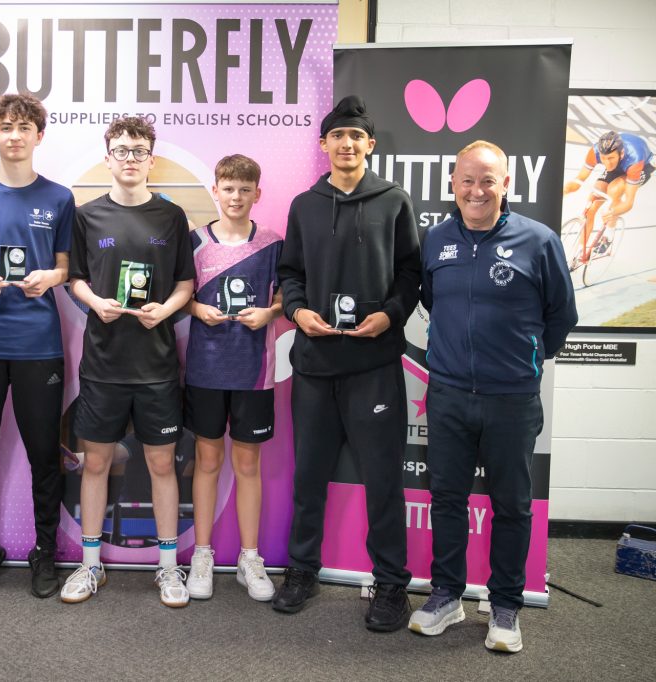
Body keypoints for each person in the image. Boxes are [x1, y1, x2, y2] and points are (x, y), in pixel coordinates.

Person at [411, 140, 577, 653]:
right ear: (453, 184)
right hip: (448, 393)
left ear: (506, 183)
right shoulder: (435, 239)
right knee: (447, 499)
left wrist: (525, 359)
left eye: (488, 180)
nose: (476, 190)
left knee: (512, 505)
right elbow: (431, 301)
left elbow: (561, 315)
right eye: (467, 180)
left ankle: (505, 605)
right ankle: (447, 595)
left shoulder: (539, 240)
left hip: (512, 399)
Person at [276, 95, 420, 631]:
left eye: (356, 136)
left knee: (383, 481)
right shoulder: (304, 205)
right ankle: (302, 571)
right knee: (309, 478)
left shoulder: (394, 201)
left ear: (370, 144)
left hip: (373, 365)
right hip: (315, 365)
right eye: (337, 135)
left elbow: (411, 273)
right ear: (324, 145)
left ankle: (391, 585)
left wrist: (390, 315)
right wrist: (297, 312)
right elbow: (290, 273)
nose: (346, 144)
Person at [61, 116, 196, 607]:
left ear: (151, 159)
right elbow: (74, 278)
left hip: (157, 367)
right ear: (108, 158)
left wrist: (167, 309)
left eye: (139, 150)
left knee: (162, 464)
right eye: (121, 150)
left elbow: (185, 283)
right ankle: (90, 565)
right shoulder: (86, 215)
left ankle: (168, 568)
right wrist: (95, 302)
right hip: (103, 365)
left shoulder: (172, 216)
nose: (131, 158)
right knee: (96, 463)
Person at [0, 93, 74, 599]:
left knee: (44, 452)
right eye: (6, 127)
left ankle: (45, 550)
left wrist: (52, 277)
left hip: (38, 345)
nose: (16, 135)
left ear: (39, 136)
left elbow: (65, 267)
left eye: (25, 127)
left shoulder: (60, 198)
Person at [182, 154, 283, 602]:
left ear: (257, 193)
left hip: (253, 372)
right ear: (215, 191)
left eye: (245, 190)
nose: (236, 197)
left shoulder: (273, 243)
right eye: (228, 188)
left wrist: (271, 313)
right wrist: (196, 308)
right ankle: (201, 555)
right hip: (205, 370)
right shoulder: (195, 242)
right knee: (207, 462)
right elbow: (180, 295)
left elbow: (286, 295)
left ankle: (250, 557)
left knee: (247, 466)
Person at [563, 130, 655, 263]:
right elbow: (579, 180)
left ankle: (609, 235)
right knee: (592, 203)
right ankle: (580, 251)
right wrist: (564, 190)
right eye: (603, 159)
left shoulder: (634, 160)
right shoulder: (595, 152)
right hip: (620, 164)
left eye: (610, 158)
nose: (607, 163)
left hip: (643, 166)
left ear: (621, 154)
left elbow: (629, 202)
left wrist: (612, 212)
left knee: (614, 190)